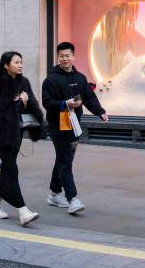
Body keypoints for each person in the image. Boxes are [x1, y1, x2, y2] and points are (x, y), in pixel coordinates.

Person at [42, 42, 108, 214]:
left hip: (74, 125)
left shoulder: (80, 78)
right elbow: (47, 102)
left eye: (67, 55)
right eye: (61, 56)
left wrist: (100, 112)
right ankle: (72, 198)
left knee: (63, 159)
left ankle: (54, 193)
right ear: (58, 57)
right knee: (65, 160)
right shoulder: (50, 80)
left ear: (73, 56)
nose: (65, 59)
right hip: (57, 126)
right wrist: (65, 103)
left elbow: (89, 97)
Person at [0, 51, 43, 226]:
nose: (20, 65)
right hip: (1, 135)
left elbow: (31, 106)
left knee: (9, 169)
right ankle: (23, 210)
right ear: (6, 65)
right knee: (11, 169)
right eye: (16, 62)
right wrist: (17, 102)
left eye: (21, 62)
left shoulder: (23, 82)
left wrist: (24, 102)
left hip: (16, 133)